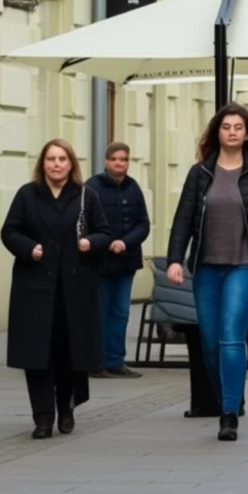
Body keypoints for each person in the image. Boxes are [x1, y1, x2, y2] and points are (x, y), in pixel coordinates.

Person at [167, 103, 248, 442]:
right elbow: (183, 218)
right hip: (206, 268)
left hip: (245, 267)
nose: (232, 131)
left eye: (238, 126)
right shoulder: (199, 174)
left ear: (247, 133)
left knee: (230, 337)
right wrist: (175, 259)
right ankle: (231, 395)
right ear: (217, 133)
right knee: (209, 344)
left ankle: (228, 414)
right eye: (226, 127)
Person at [1, 139, 112, 439]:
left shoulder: (86, 196)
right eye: (51, 159)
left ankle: (66, 406)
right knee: (38, 355)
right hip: (35, 287)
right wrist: (29, 248)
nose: (56, 164)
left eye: (62, 158)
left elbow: (105, 232)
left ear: (71, 163)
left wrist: (91, 242)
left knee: (68, 353)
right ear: (43, 163)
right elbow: (9, 231)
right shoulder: (28, 194)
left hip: (74, 289)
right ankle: (42, 417)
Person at [86, 142, 150, 379]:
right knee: (99, 311)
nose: (119, 164)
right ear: (106, 161)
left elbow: (143, 223)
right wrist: (106, 241)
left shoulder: (133, 188)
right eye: (115, 159)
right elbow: (85, 223)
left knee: (121, 312)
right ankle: (95, 361)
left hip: (126, 260)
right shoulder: (92, 187)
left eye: (124, 159)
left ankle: (116, 360)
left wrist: (125, 242)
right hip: (99, 261)